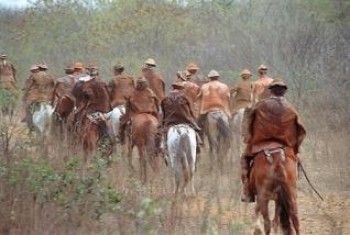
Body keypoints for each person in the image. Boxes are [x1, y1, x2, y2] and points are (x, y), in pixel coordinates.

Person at [240, 78, 306, 203]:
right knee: (296, 160)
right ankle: (293, 185)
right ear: (284, 92)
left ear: (271, 91)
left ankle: (247, 190)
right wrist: (296, 146)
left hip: (261, 144)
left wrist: (248, 137)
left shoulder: (260, 105)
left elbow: (250, 122)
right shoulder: (291, 108)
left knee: (244, 159)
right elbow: (301, 130)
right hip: (285, 145)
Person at [118, 77, 159, 145]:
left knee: (122, 123)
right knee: (160, 128)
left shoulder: (132, 93)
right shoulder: (151, 92)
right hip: (150, 113)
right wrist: (156, 113)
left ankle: (122, 139)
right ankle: (160, 145)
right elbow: (157, 104)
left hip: (137, 114)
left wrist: (126, 116)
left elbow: (127, 108)